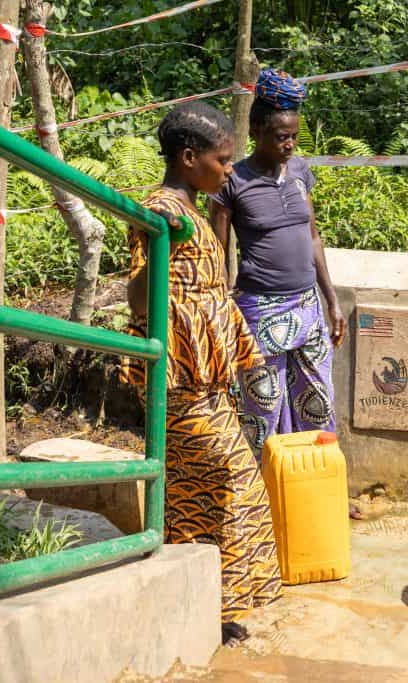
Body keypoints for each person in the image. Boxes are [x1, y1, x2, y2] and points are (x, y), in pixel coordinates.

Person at [122, 101, 281, 647]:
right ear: (190, 158)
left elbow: (212, 295)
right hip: (180, 382)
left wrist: (245, 357)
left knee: (193, 489)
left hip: (205, 380)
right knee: (234, 479)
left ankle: (199, 602)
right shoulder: (160, 212)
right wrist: (160, 244)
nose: (230, 170)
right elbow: (139, 298)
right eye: (224, 160)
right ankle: (221, 605)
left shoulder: (191, 207)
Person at [209, 68, 362, 519]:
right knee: (262, 408)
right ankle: (259, 503)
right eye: (279, 136)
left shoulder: (299, 172)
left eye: (294, 136)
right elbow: (220, 254)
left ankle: (324, 493)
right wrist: (222, 311)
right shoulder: (231, 182)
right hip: (259, 310)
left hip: (308, 307)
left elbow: (312, 237)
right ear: (255, 131)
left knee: (318, 401)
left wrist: (332, 301)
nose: (288, 144)